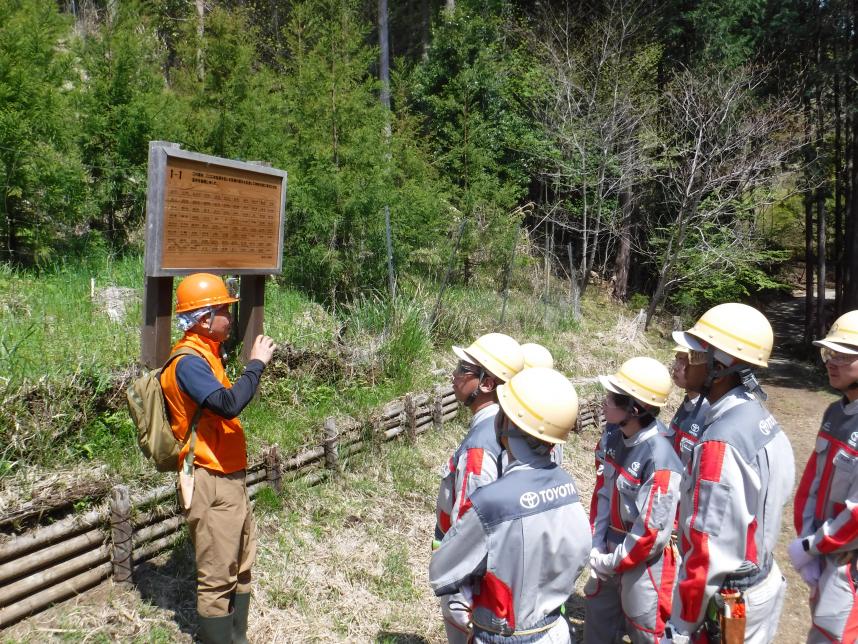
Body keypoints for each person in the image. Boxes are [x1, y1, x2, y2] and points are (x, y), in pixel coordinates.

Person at [430, 367, 591, 643]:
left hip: (502, 633)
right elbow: (579, 553)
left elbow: (441, 572)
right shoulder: (566, 484)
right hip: (554, 629)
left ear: (507, 422)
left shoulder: (492, 501)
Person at [667, 303, 795, 644]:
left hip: (731, 601)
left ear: (719, 366)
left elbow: (707, 547)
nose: (683, 360)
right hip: (761, 578)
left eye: (694, 354)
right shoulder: (759, 417)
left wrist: (680, 624)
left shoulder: (720, 440)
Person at [160, 273, 276, 644]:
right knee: (217, 575)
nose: (230, 315)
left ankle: (237, 638)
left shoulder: (208, 354)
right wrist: (256, 364)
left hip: (229, 477)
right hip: (210, 481)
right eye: (224, 309)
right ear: (203, 318)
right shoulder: (188, 363)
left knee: (241, 564)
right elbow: (228, 404)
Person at [585, 357, 683, 644]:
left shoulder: (660, 459)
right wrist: (596, 545)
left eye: (613, 398)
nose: (604, 402)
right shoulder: (613, 437)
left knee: (644, 629)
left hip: (644, 562)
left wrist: (610, 562)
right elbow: (602, 493)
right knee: (597, 621)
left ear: (635, 409)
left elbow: (649, 534)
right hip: (608, 550)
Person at [434, 333, 525, 643]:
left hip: (468, 581)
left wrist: (458, 587)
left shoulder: (481, 444)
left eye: (464, 368)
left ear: (487, 383)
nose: (455, 374)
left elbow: (472, 522)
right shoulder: (502, 427)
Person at [791, 310, 858, 643]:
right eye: (829, 353)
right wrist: (808, 540)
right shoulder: (835, 411)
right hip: (826, 557)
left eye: (844, 354)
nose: (832, 362)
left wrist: (811, 546)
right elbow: (811, 485)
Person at [662, 346, 710, 471]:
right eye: (676, 359)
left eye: (683, 361)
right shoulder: (688, 402)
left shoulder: (710, 412)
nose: (675, 367)